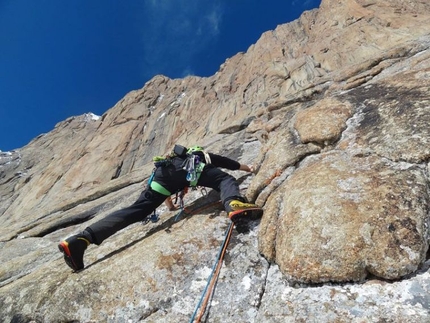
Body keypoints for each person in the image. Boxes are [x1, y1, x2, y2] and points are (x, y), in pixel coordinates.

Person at [58, 145, 263, 271]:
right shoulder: (197, 153)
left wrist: (172, 206)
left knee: (137, 210)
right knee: (223, 179)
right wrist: (248, 168)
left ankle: (81, 239)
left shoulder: (166, 163)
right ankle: (234, 203)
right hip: (194, 168)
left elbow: (169, 189)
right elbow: (225, 163)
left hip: (161, 179)